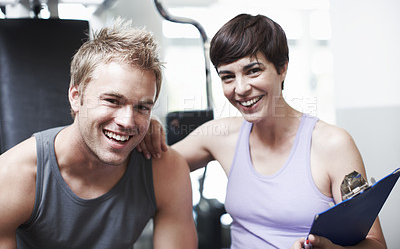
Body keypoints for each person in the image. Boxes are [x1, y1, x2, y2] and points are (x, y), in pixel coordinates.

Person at [138, 14, 387, 248]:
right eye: (227, 77)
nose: (241, 88)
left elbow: (376, 244)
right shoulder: (220, 135)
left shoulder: (332, 144)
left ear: (282, 69)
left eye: (253, 70)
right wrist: (146, 128)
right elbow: (150, 166)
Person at [0, 20, 197, 249]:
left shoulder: (166, 169)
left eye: (142, 107)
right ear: (76, 96)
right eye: (112, 101)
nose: (127, 121)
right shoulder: (13, 175)